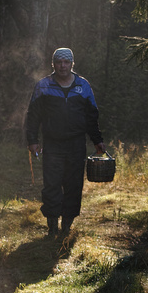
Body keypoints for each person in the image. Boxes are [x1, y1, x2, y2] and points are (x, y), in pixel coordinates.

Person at [25, 47, 106, 237]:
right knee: (52, 184)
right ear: (53, 64)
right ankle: (52, 227)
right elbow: (33, 116)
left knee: (74, 185)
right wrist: (32, 140)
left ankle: (67, 226)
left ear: (72, 64)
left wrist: (97, 140)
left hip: (76, 145)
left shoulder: (83, 86)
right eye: (59, 62)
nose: (63, 66)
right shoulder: (43, 86)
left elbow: (91, 117)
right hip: (52, 144)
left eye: (66, 62)